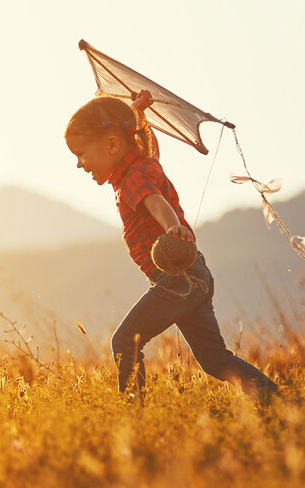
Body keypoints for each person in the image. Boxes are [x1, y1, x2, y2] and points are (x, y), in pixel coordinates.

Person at [64, 92, 278, 402]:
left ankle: (133, 413)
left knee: (125, 341)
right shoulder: (143, 165)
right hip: (195, 277)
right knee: (215, 359)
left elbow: (156, 202)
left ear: (112, 145)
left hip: (180, 280)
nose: (79, 164)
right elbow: (147, 150)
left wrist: (171, 226)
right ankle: (279, 402)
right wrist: (135, 114)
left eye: (81, 154)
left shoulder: (133, 178)